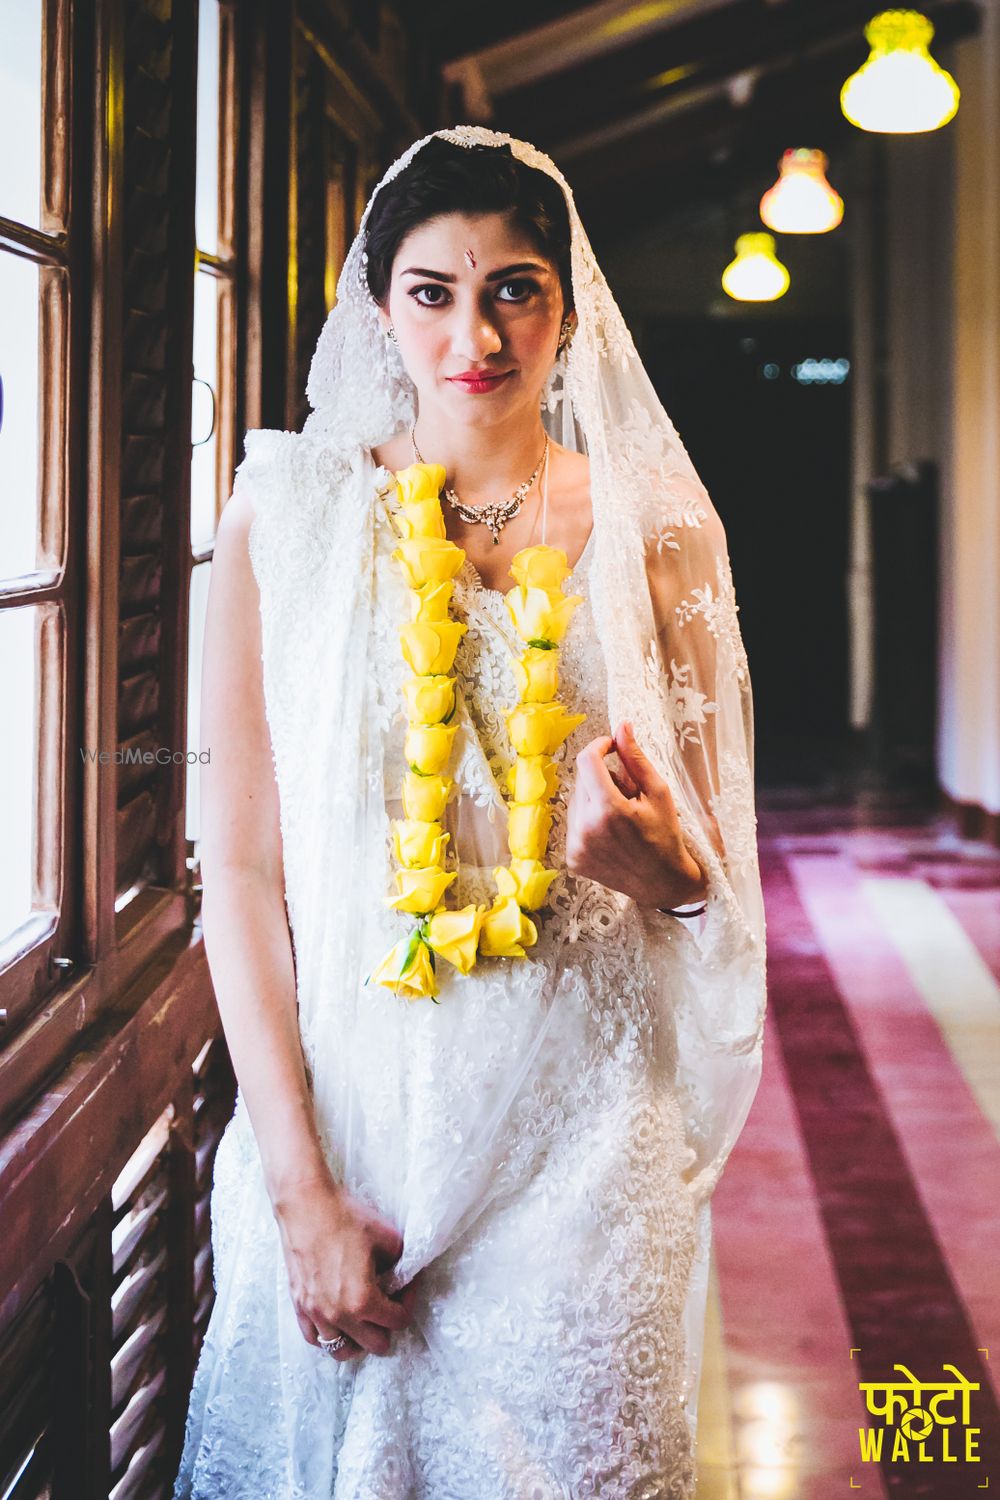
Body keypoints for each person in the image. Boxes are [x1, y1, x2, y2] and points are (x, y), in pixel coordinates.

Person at [172, 126, 767, 1500]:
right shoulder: (291, 517)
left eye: (515, 287)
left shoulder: (662, 530)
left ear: (570, 305)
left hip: (590, 1148)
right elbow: (245, 872)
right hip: (361, 1138)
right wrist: (300, 1192)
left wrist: (666, 875)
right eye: (434, 290)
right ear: (381, 308)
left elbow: (716, 880)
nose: (475, 331)